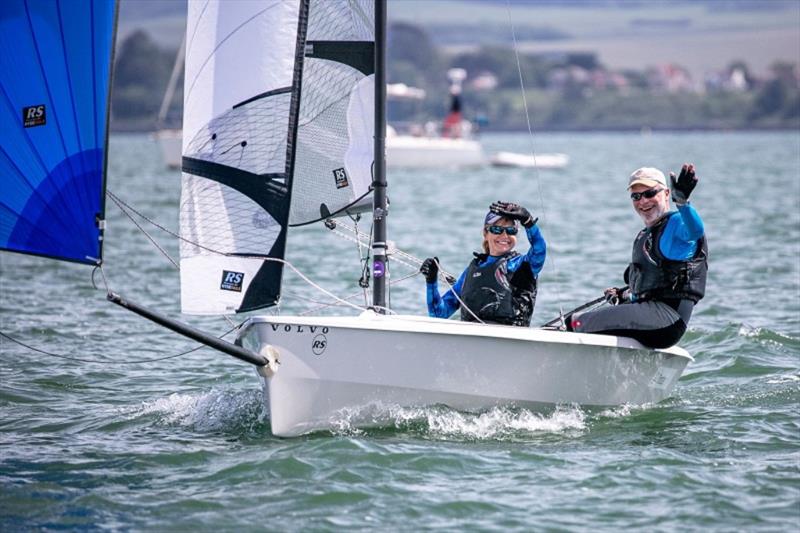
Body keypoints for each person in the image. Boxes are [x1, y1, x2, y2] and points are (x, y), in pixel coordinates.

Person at [567, 164, 707, 348]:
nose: (643, 202)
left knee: (575, 323)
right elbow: (653, 285)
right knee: (583, 322)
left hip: (667, 320)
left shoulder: (677, 224)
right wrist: (625, 296)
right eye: (636, 196)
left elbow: (695, 231)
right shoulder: (645, 235)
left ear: (666, 194)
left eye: (650, 193)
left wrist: (682, 202)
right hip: (653, 317)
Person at [420, 201, 546, 326]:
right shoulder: (472, 270)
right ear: (485, 233)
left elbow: (539, 250)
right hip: (473, 339)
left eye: (511, 231)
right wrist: (431, 281)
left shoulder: (520, 265)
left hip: (510, 337)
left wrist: (528, 222)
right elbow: (438, 314)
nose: (505, 235)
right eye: (497, 229)